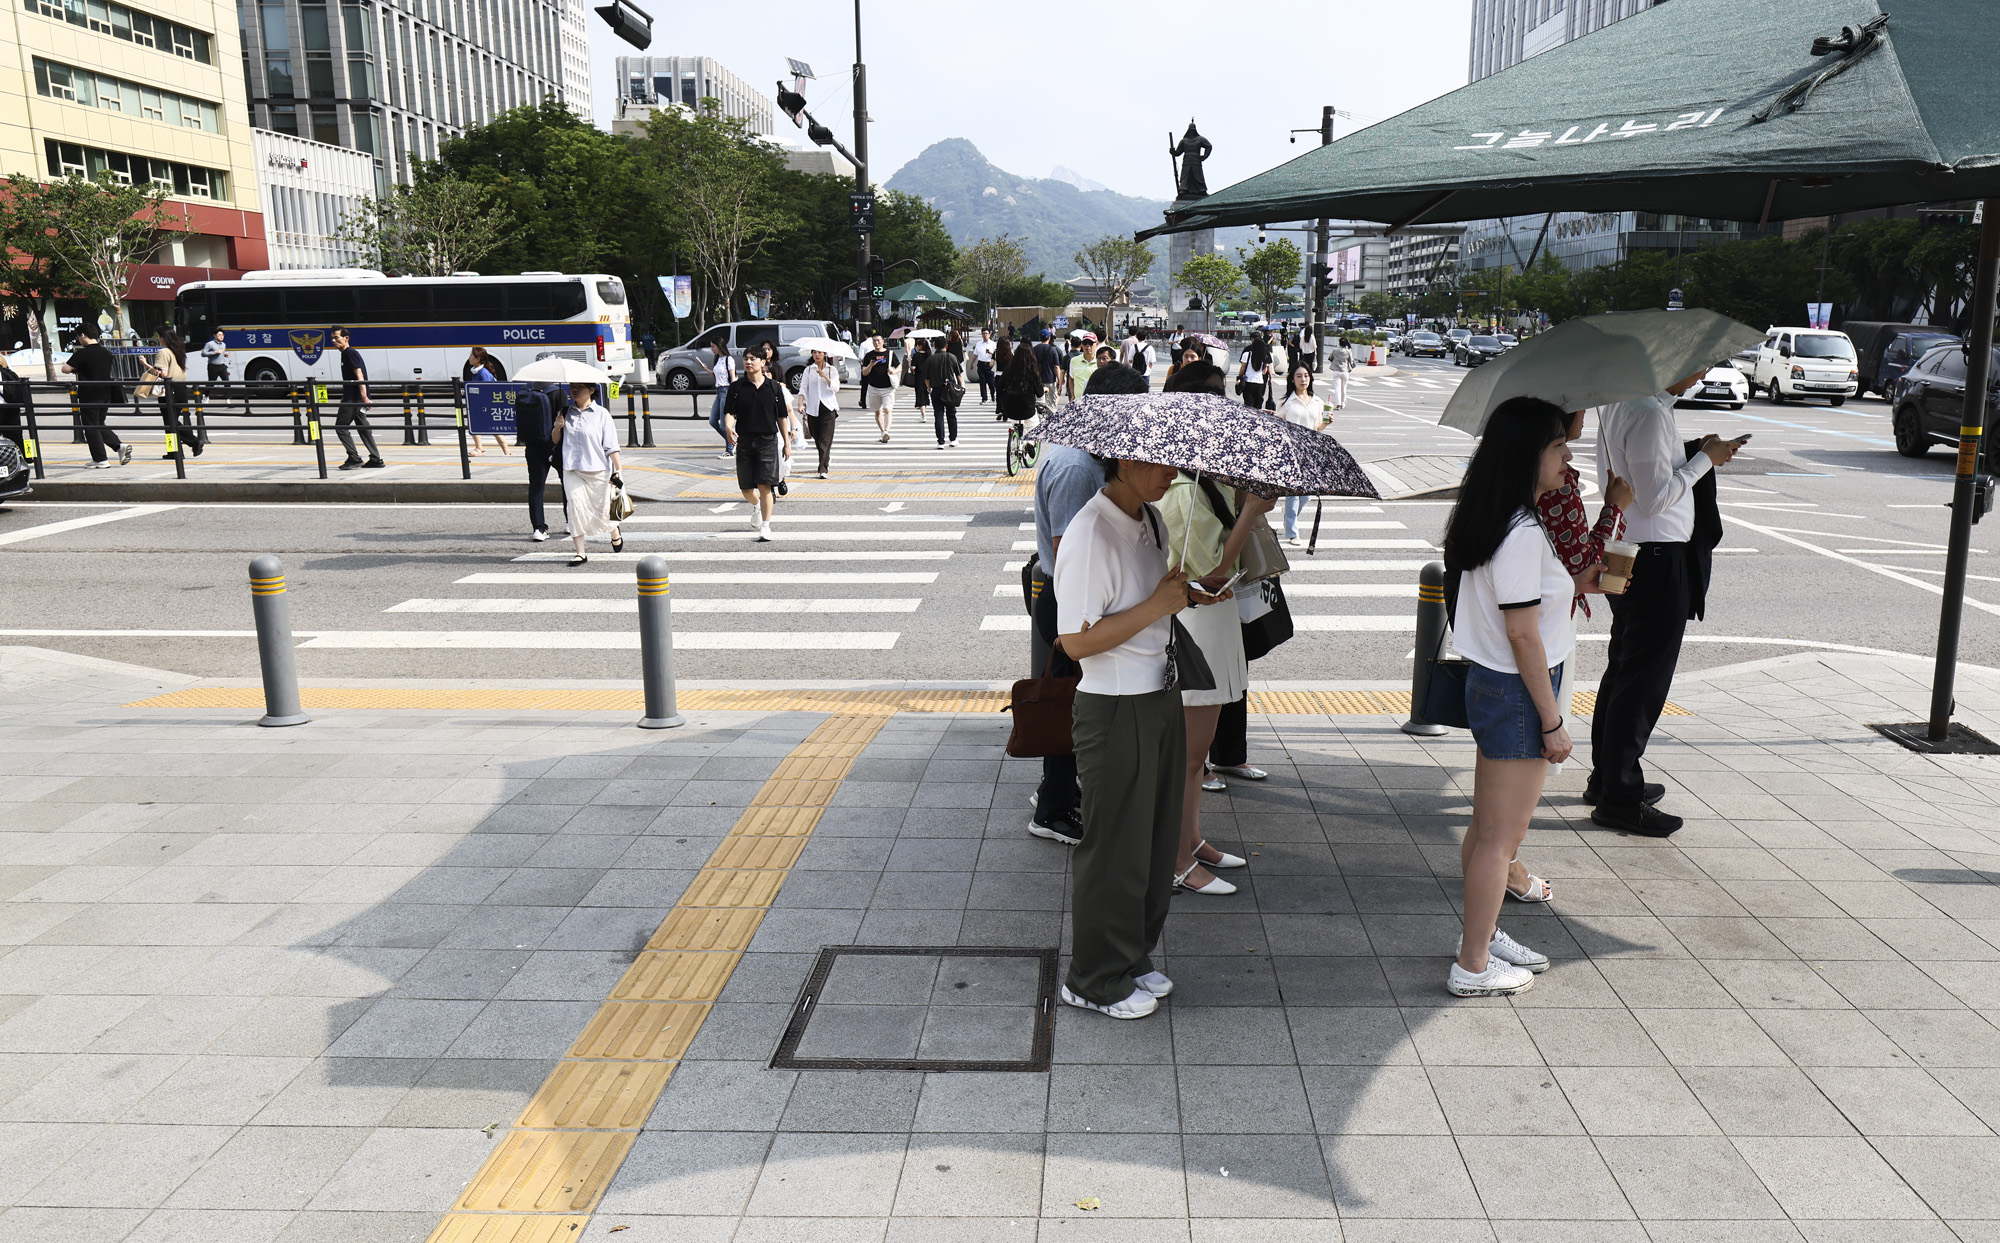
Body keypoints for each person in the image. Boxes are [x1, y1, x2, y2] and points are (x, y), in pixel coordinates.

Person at [1441, 396, 1604, 997]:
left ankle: (1483, 936)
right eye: (1559, 446)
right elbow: (1521, 633)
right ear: (1526, 454)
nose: (1568, 456)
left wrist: (1577, 582)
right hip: (1516, 692)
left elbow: (1523, 610)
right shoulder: (1520, 532)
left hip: (1499, 687)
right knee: (1498, 839)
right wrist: (1553, 720)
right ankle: (1474, 963)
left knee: (1487, 829)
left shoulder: (1501, 517)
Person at [1053, 452, 1194, 1020]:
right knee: (1114, 847)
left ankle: (1130, 954)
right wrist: (1157, 604)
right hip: (1113, 706)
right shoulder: (1091, 530)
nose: (1172, 473)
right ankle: (1092, 977)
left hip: (1158, 695)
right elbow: (1076, 641)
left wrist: (1180, 595)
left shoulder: (1150, 518)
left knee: (1155, 842)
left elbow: (1143, 606)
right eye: (1161, 462)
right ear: (1125, 460)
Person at [1590, 374, 1743, 835]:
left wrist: (1694, 450)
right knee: (1642, 682)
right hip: (1657, 557)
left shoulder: (1616, 399)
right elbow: (1656, 499)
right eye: (1694, 365)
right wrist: (1705, 460)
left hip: (1629, 549)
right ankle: (1620, 794)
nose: (1700, 375)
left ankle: (1608, 778)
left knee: (1623, 668)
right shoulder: (1651, 413)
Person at [1158, 448, 1273, 896]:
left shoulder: (1208, 485)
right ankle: (1178, 860)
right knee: (1187, 758)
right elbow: (1213, 570)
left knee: (1196, 755)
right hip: (1197, 624)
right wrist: (1251, 511)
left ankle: (1191, 841)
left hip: (1215, 622)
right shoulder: (1185, 491)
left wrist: (1248, 501)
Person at [553, 380, 622, 566]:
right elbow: (555, 440)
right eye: (572, 387)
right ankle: (580, 553)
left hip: (598, 469)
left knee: (602, 510)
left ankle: (614, 530)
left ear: (591, 390)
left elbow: (611, 445)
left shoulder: (602, 414)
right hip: (572, 469)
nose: (574, 391)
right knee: (575, 508)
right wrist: (558, 426)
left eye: (579, 387)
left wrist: (618, 470)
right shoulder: (566, 412)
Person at [725, 351, 788, 541]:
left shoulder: (774, 387)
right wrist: (728, 427)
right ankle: (757, 506)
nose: (748, 362)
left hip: (768, 440)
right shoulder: (737, 388)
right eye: (746, 359)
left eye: (753, 359)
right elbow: (729, 412)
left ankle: (766, 526)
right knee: (745, 488)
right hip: (744, 441)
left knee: (765, 485)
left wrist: (786, 442)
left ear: (762, 362)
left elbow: (781, 417)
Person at [1276, 364, 1331, 544]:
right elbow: (1279, 425)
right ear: (1292, 379)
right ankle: (1292, 532)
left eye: (1306, 376)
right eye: (1299, 376)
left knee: (1306, 494)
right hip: (1292, 451)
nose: (1303, 379)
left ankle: (1289, 517)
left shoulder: (1317, 401)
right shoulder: (1286, 402)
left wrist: (1326, 423)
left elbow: (1317, 428)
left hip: (1311, 451)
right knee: (1293, 492)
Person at [60, 325, 129, 468]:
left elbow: (65, 369)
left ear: (83, 335)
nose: (78, 339)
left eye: (78, 336)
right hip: (106, 392)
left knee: (91, 427)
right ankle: (118, 446)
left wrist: (77, 368)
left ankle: (100, 459)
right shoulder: (106, 353)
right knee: (98, 423)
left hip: (89, 393)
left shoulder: (82, 353)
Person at [140, 326, 200, 459]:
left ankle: (192, 442)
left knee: (170, 423)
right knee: (172, 421)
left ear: (162, 337)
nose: (158, 338)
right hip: (181, 389)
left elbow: (163, 373)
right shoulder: (178, 349)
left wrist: (146, 365)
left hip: (169, 390)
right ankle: (175, 451)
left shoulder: (163, 352)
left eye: (158, 336)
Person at [327, 326, 383, 470]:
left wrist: (364, 397)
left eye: (337, 337)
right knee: (364, 428)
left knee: (340, 427)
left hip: (354, 398)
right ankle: (376, 459)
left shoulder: (349, 353)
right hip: (353, 396)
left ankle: (354, 458)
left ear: (346, 338)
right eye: (332, 338)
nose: (333, 340)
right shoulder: (346, 354)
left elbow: (359, 375)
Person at [517, 380, 559, 540]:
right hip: (555, 445)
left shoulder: (525, 392)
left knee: (536, 487)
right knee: (567, 484)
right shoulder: (557, 392)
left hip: (533, 445)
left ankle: (538, 528)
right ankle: (570, 522)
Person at [794, 347, 841, 478]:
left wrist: (824, 376)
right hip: (813, 408)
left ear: (825, 354)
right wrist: (800, 404)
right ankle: (826, 458)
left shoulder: (832, 370)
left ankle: (822, 469)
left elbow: (835, 388)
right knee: (817, 438)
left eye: (819, 352)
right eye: (814, 352)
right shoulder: (808, 370)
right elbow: (803, 388)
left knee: (825, 440)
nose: (817, 355)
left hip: (828, 408)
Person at [463, 347, 512, 456]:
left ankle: (482, 449)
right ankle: (503, 450)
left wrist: (469, 391)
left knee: (487, 426)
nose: (469, 358)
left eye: (471, 355)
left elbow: (485, 390)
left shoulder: (483, 373)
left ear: (478, 359)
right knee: (484, 426)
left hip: (485, 405)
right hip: (481, 405)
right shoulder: (477, 372)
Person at [921, 338, 963, 449]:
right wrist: (960, 388)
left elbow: (927, 378)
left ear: (935, 346)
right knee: (951, 414)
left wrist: (929, 389)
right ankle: (953, 439)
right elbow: (959, 375)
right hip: (950, 390)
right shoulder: (952, 357)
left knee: (938, 415)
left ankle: (940, 441)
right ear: (946, 346)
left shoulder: (930, 359)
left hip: (936, 390)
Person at [860, 333, 897, 442]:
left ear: (883, 341)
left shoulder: (890, 354)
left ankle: (886, 431)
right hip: (874, 387)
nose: (876, 343)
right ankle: (882, 432)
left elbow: (899, 366)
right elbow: (864, 372)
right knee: (877, 411)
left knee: (887, 409)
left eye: (878, 340)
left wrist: (894, 371)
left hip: (888, 387)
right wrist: (871, 365)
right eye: (874, 341)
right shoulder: (869, 355)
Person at [996, 338, 1043, 424]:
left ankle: (1014, 434)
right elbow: (1040, 393)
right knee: (1034, 427)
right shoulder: (1032, 372)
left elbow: (999, 389)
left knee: (1014, 424)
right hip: (1028, 410)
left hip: (1010, 409)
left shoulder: (1008, 370)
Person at [706, 336, 736, 457]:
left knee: (725, 424)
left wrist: (734, 395)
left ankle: (729, 449)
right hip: (718, 391)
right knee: (713, 421)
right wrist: (707, 369)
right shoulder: (717, 359)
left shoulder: (729, 359)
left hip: (726, 391)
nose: (712, 349)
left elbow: (732, 378)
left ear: (720, 346)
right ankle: (732, 443)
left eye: (713, 346)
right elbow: (716, 376)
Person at [1236, 331, 1272, 409]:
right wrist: (1270, 378)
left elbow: (1242, 369)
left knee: (1248, 405)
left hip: (1248, 382)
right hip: (1259, 383)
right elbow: (1265, 371)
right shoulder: (1264, 356)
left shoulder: (1247, 354)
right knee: (1258, 405)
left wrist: (1239, 377)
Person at [1031, 330, 1064, 402]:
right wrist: (1059, 379)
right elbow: (1056, 366)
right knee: (1051, 402)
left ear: (1040, 338)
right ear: (1049, 338)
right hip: (1050, 379)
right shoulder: (1052, 349)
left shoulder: (1034, 349)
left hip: (1038, 380)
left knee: (1039, 402)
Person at [1326, 336, 1353, 409]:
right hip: (1345, 371)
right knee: (1344, 388)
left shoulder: (1335, 350)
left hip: (1336, 370)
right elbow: (1351, 362)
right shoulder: (1348, 351)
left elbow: (1330, 358)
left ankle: (1338, 403)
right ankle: (1343, 403)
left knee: (1337, 388)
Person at [973, 328, 997, 403]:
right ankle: (984, 398)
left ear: (989, 335)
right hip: (981, 364)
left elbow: (996, 355)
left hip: (990, 364)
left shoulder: (993, 344)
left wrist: (991, 352)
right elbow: (975, 354)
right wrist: (971, 363)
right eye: (983, 333)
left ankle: (993, 395)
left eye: (986, 333)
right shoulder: (978, 344)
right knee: (982, 382)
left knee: (991, 382)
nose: (985, 335)